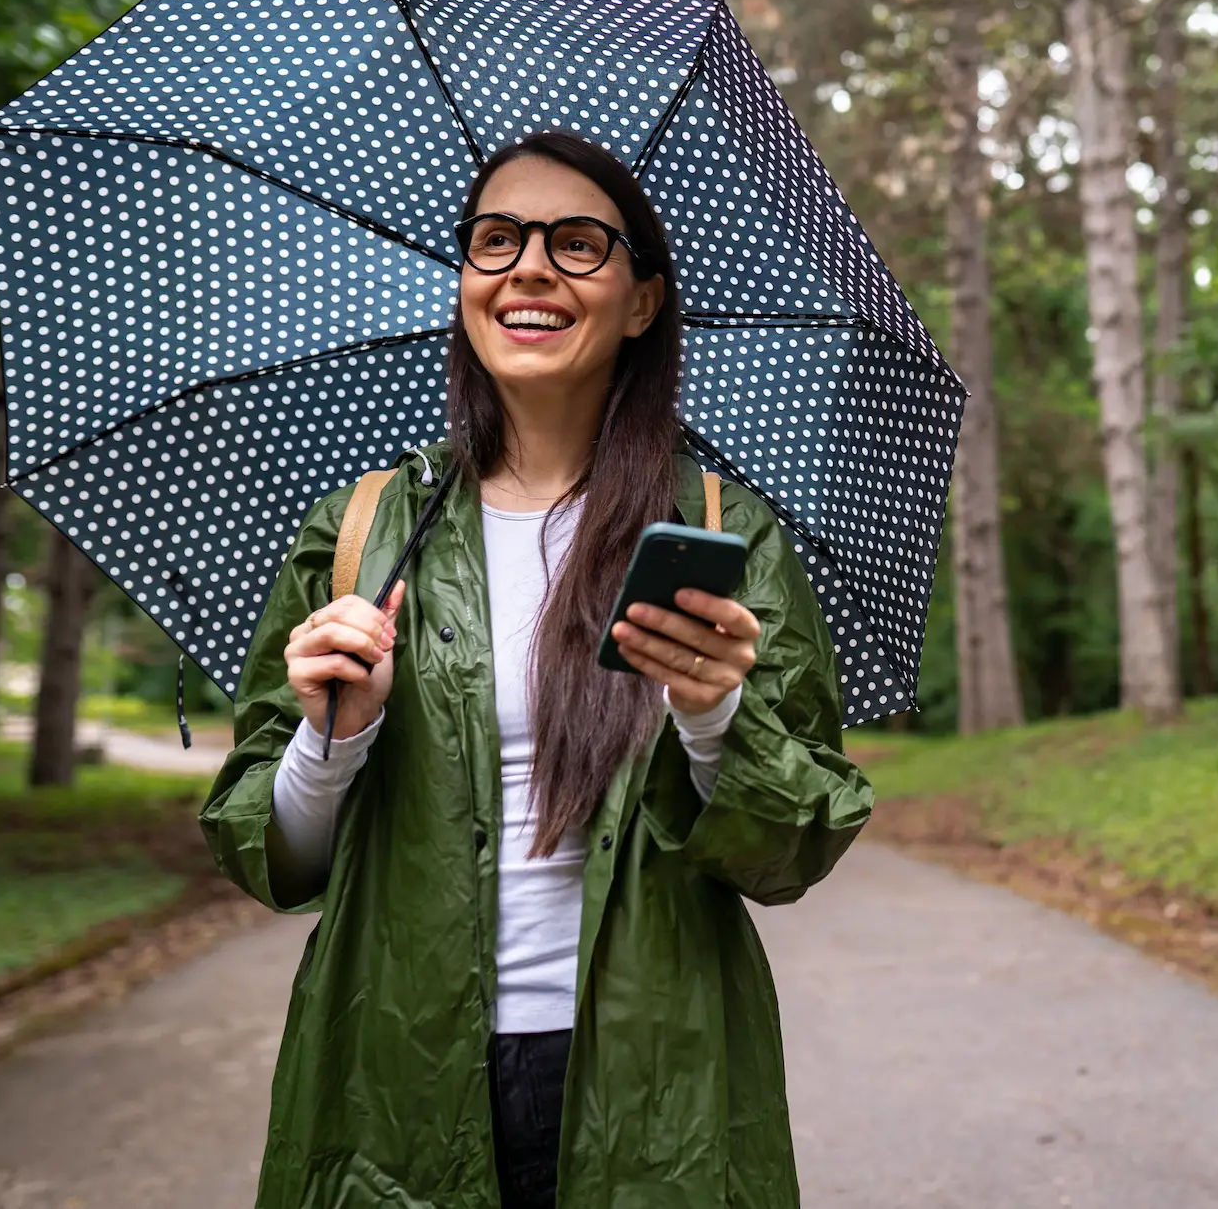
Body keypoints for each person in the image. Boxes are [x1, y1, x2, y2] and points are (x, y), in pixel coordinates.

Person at [202, 129, 871, 1209]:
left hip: (663, 1084)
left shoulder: (719, 530)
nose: (527, 267)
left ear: (642, 300)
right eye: (496, 238)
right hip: (392, 1070)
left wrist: (713, 715)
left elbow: (792, 848)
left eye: (576, 242)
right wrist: (333, 736)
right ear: (464, 278)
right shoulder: (364, 530)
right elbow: (272, 856)